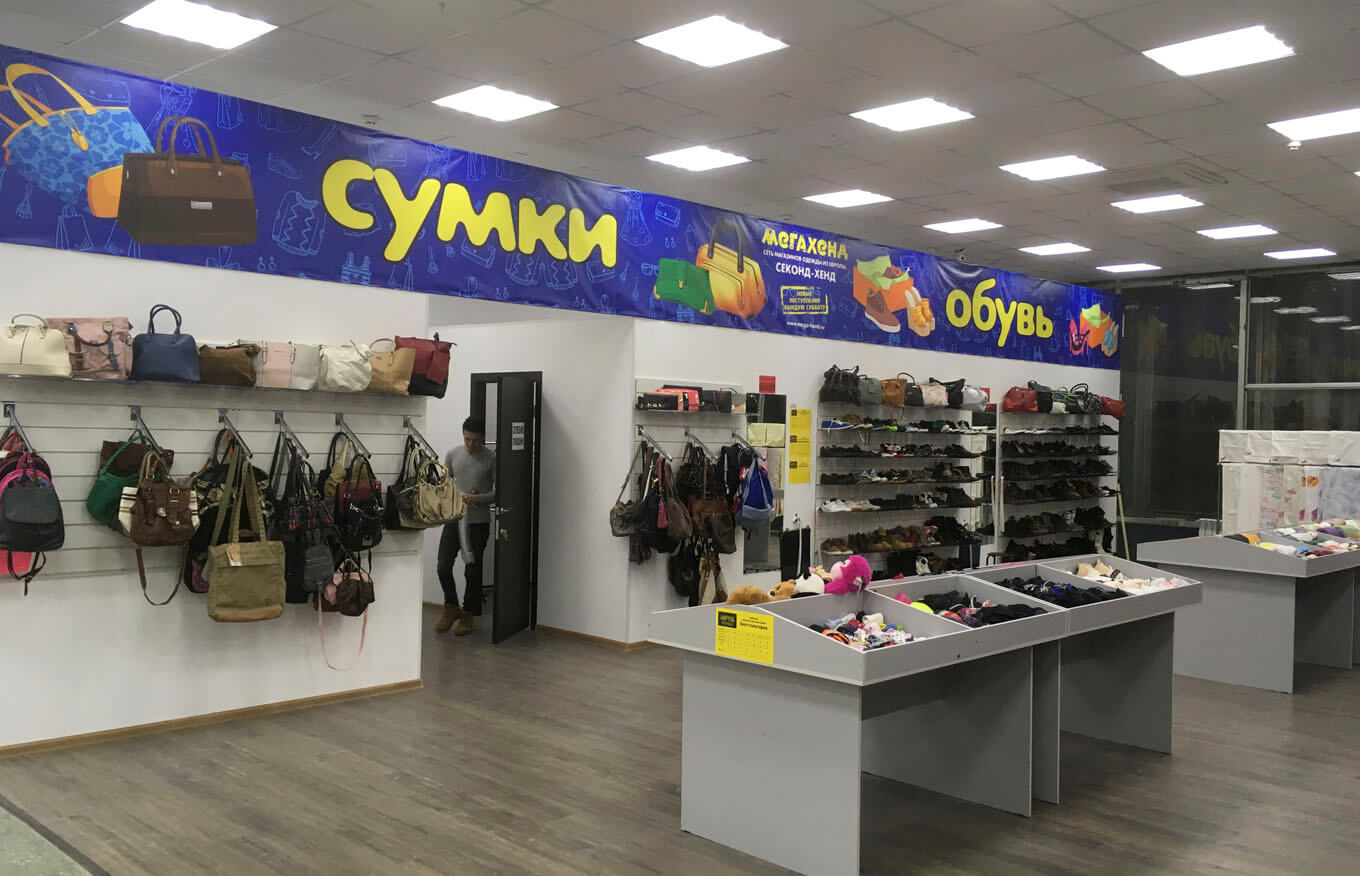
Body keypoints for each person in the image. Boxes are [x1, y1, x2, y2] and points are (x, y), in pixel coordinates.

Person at [436, 416, 495, 636]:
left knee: (472, 571)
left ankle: (468, 613)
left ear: (483, 438)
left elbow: (500, 493)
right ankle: (451, 607)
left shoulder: (492, 459)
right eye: (467, 439)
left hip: (478, 523)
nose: (471, 444)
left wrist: (477, 499)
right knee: (443, 566)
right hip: (454, 519)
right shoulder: (452, 454)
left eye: (476, 440)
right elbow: (445, 485)